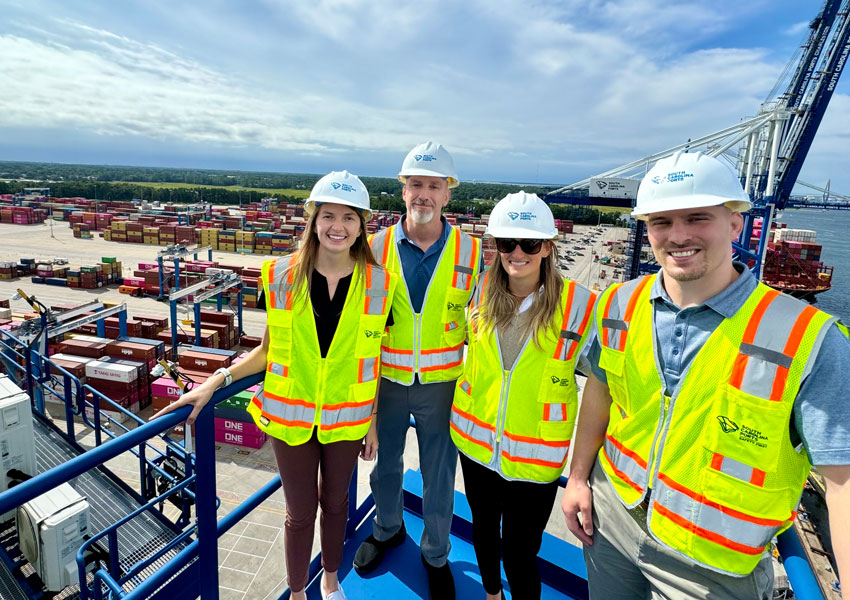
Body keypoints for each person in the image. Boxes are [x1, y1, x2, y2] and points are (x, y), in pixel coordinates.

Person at [560, 151, 850, 599]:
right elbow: (601, 391)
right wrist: (577, 479)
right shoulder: (617, 302)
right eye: (661, 221)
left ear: (734, 224)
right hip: (611, 521)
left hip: (714, 566)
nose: (678, 235)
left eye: (697, 217)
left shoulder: (805, 337)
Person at [153, 170, 397, 600]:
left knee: (336, 504)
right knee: (300, 513)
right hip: (290, 419)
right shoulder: (281, 275)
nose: (337, 226)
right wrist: (216, 381)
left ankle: (330, 577)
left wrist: (374, 419)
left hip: (349, 418)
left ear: (362, 225)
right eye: (327, 216)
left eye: (348, 218)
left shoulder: (381, 283)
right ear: (312, 219)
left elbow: (373, 359)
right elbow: (267, 352)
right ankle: (298, 591)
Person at [450, 192, 596, 599]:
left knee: (519, 551)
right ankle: (492, 595)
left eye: (529, 243)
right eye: (506, 243)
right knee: (482, 529)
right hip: (476, 445)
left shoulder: (581, 308)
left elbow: (610, 385)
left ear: (548, 247)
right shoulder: (478, 293)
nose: (517, 253)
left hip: (536, 457)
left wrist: (583, 473)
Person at [353, 141, 482, 599]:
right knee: (383, 466)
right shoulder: (374, 247)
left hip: (444, 385)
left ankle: (436, 554)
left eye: (434, 185)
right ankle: (387, 529)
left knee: (439, 476)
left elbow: (485, 319)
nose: (423, 194)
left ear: (448, 194)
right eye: (415, 185)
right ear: (402, 191)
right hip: (386, 382)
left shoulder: (474, 252)